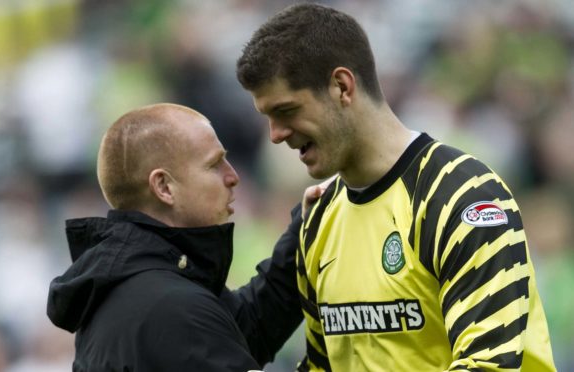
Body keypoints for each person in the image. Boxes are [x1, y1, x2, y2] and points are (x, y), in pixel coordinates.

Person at [236, 3, 555, 371]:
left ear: (342, 86)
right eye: (268, 118)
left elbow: (489, 365)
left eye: (287, 111)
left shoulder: (463, 196)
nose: (275, 136)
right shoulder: (318, 220)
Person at [46, 103, 304, 371]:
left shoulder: (138, 285)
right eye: (214, 164)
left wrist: (306, 228)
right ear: (164, 187)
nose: (233, 176)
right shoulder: (171, 308)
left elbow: (245, 330)